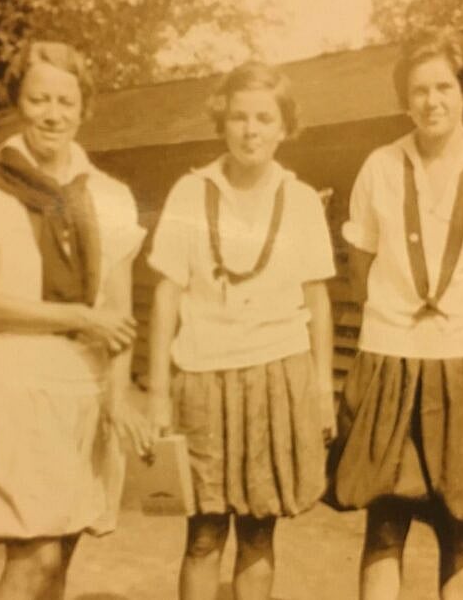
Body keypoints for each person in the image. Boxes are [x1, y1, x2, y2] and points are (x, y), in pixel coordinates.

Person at [331, 28, 463, 600]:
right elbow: (360, 265)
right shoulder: (378, 167)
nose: (432, 101)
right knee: (385, 523)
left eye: (443, 87)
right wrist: (396, 319)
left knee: (462, 528)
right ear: (406, 98)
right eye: (419, 90)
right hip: (391, 360)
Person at [0, 41, 151, 600]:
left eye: (65, 100)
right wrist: (78, 315)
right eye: (38, 99)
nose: (52, 114)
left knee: (60, 561)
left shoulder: (109, 196)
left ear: (84, 108)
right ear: (17, 102)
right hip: (19, 381)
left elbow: (120, 314)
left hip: (82, 389)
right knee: (35, 558)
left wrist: (116, 393)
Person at [146, 61, 337, 600]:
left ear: (284, 126)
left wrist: (322, 390)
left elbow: (317, 298)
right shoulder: (190, 192)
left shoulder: (298, 200)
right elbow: (166, 295)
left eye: (264, 118)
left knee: (258, 530)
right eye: (238, 117)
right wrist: (158, 394)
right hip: (203, 377)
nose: (250, 130)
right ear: (222, 123)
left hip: (277, 376)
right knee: (204, 535)